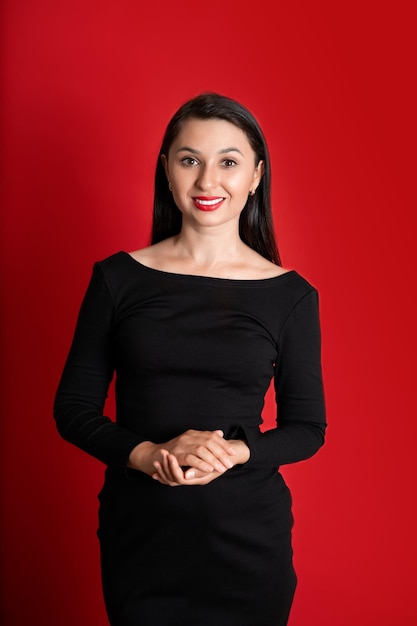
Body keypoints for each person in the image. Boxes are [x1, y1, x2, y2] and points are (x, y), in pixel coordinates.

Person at [54, 92, 326, 626]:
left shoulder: (290, 295)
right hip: (143, 538)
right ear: (166, 169)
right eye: (189, 160)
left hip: (248, 542)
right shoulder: (117, 279)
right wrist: (147, 454)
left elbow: (308, 428)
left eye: (228, 162)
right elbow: (74, 409)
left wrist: (235, 452)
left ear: (255, 177)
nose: (207, 181)